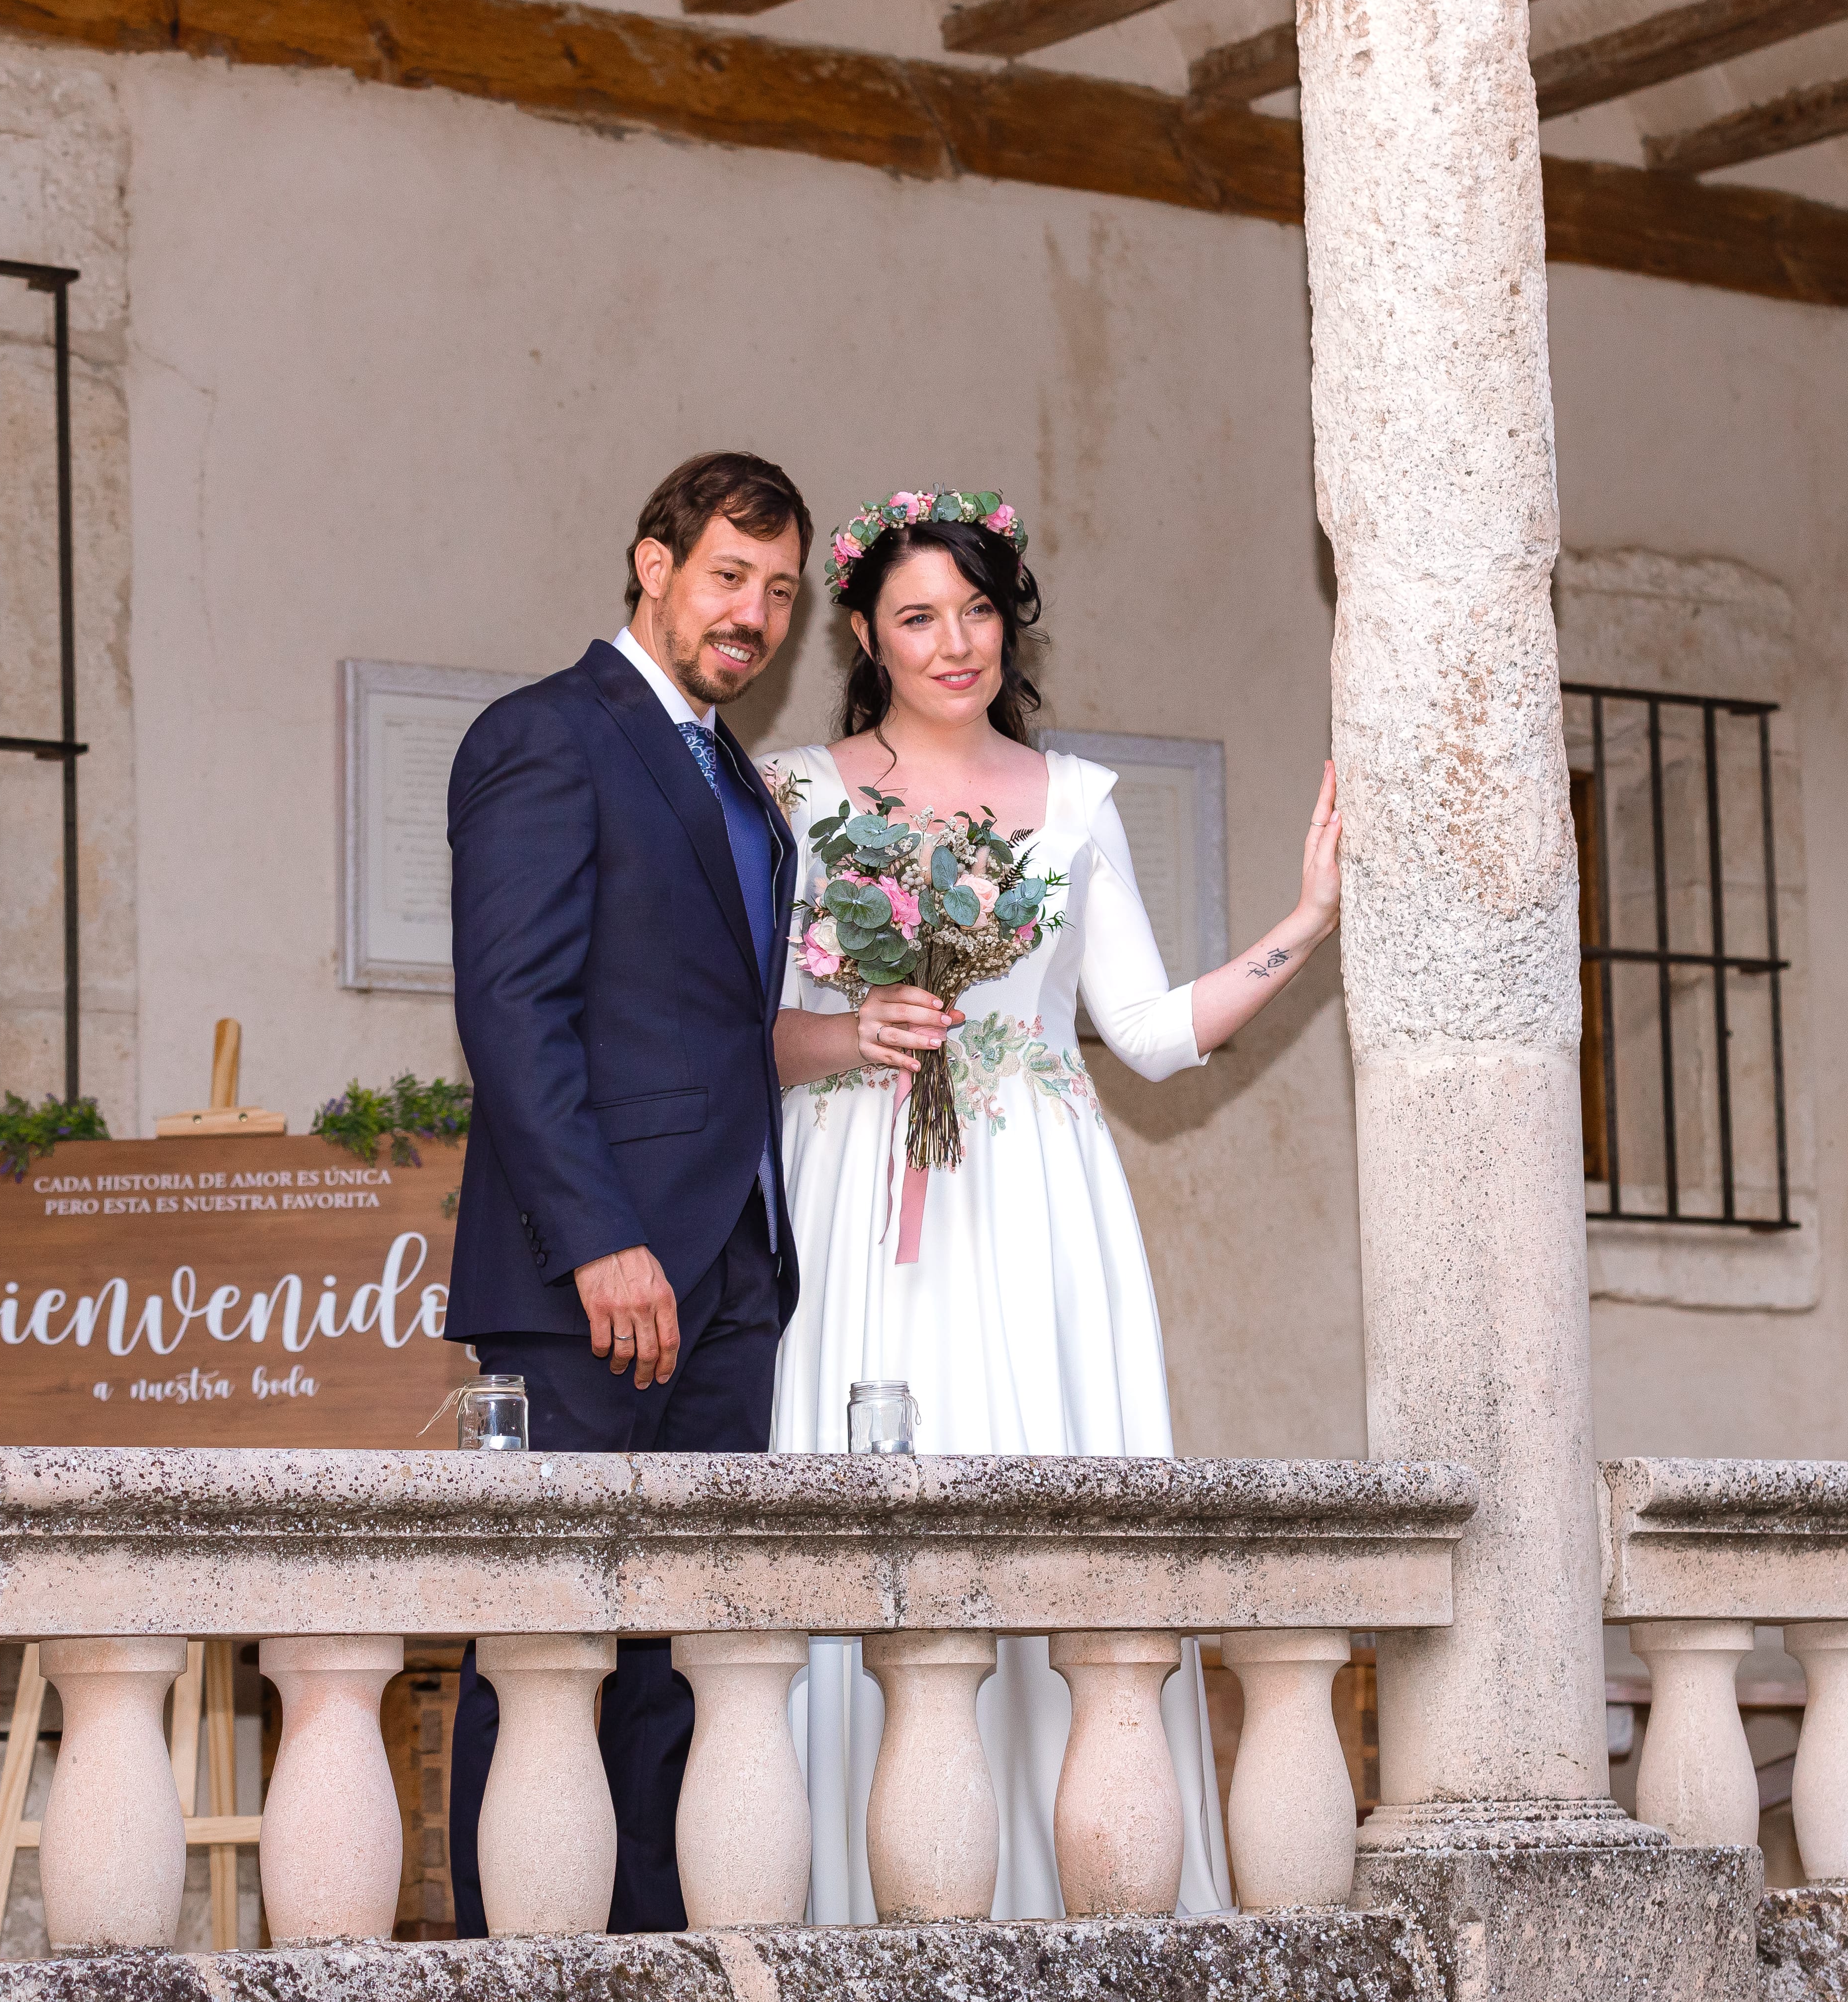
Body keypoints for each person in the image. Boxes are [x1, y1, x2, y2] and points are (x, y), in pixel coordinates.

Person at [757, 489, 1343, 1919]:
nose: (954, 642)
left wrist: (1308, 921)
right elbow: (732, 1027)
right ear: (864, 635)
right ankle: (858, 1906)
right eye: (917, 617)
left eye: (976, 610)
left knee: (1047, 1490)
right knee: (863, 1510)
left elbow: (1146, 1032)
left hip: (1033, 1197)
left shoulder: (1077, 802)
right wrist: (852, 1031)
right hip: (858, 1188)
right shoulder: (795, 796)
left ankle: (1077, 1887)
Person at [441, 450, 809, 1934]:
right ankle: (522, 1959)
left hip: (732, 1274)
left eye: (780, 592)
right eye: (729, 575)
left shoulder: (738, 778)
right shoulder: (545, 735)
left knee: (679, 1659)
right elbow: (512, 1010)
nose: (754, 614)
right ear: (653, 565)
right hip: (588, 1281)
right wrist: (602, 1242)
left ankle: (657, 1954)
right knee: (549, 1648)